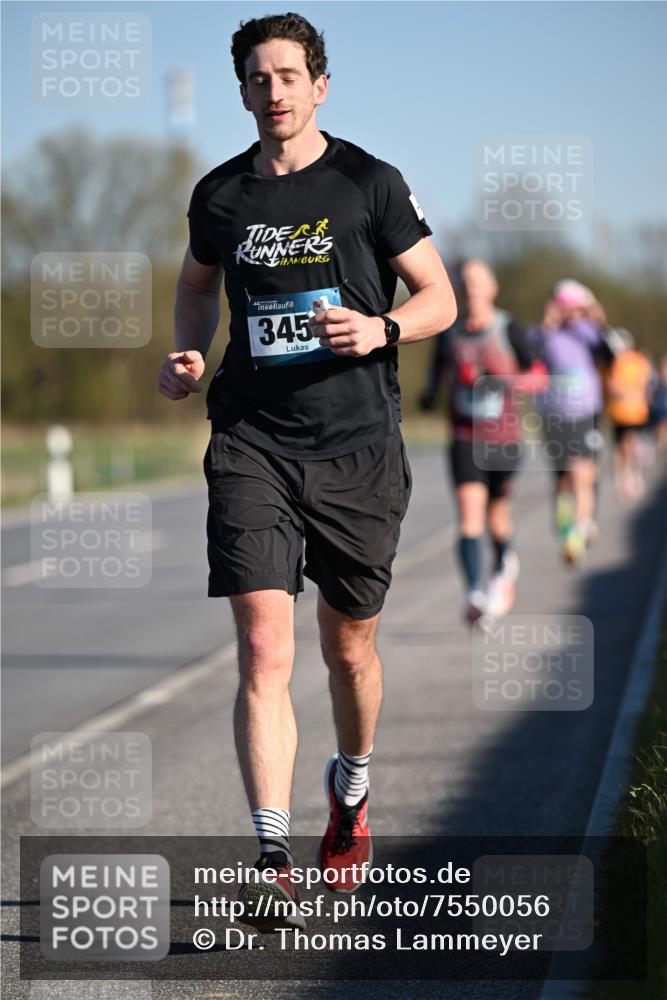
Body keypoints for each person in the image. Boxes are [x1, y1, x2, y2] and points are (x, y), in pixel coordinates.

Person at [157, 12, 455, 928]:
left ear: (318, 86)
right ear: (243, 91)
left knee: (347, 647)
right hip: (251, 439)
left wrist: (383, 328)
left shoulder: (369, 183)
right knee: (262, 648)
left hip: (358, 448)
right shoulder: (220, 196)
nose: (273, 90)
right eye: (258, 77)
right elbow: (197, 285)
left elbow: (437, 293)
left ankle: (351, 788)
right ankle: (272, 855)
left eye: (289, 75)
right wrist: (187, 353)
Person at [420, 259, 547, 624]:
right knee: (469, 514)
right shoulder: (449, 332)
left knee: (497, 514)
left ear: (492, 288)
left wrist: (506, 381)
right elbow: (436, 373)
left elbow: (539, 376)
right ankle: (475, 592)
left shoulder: (508, 328)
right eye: (466, 282)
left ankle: (505, 561)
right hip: (464, 435)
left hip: (504, 438)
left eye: (479, 282)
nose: (472, 288)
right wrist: (430, 394)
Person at [530, 280, 612, 565]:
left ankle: (578, 532)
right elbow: (530, 353)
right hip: (553, 413)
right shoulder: (543, 334)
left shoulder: (587, 332)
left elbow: (609, 352)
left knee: (582, 473)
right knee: (562, 478)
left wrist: (593, 314)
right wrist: (549, 322)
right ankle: (567, 525)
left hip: (584, 411)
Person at [605, 329, 655, 502]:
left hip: (636, 412)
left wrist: (633, 393)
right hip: (619, 413)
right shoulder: (612, 362)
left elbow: (646, 384)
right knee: (621, 447)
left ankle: (632, 475)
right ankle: (622, 477)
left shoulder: (638, 360)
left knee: (630, 444)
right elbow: (611, 386)